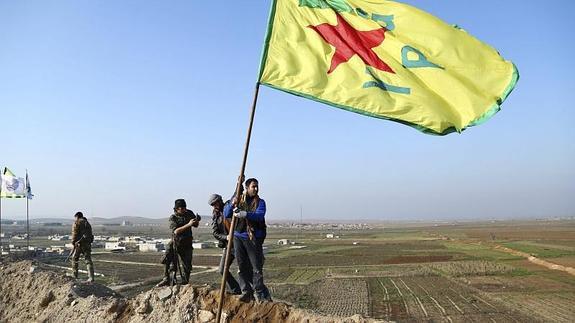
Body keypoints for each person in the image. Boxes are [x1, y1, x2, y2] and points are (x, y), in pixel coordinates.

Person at [224, 178, 271, 303]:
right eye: (253, 186)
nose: (255, 189)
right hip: (238, 236)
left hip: (253, 238)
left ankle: (259, 293)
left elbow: (259, 215)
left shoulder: (260, 202)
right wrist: (232, 203)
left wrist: (245, 214)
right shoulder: (239, 199)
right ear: (246, 187)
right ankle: (246, 292)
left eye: (257, 186)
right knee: (241, 265)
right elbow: (226, 213)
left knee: (256, 267)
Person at [157, 199, 200, 287]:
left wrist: (197, 220)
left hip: (187, 243)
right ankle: (166, 278)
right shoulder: (173, 218)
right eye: (182, 208)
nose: (184, 210)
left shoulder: (189, 213)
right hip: (176, 243)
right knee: (167, 259)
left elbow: (195, 225)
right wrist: (188, 224)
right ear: (177, 209)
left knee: (187, 265)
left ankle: (185, 282)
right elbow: (176, 231)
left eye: (185, 207)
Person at [209, 193, 242, 295]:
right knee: (222, 270)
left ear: (220, 200)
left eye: (216, 203)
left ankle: (248, 292)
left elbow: (235, 194)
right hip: (228, 245)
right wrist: (226, 237)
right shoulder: (215, 214)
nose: (215, 205)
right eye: (213, 204)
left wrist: (238, 184)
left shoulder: (229, 206)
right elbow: (215, 232)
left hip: (238, 242)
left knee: (244, 269)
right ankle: (236, 290)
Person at [71, 211, 95, 282]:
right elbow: (90, 234)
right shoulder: (87, 223)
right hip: (87, 244)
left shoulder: (77, 222)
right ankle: (91, 277)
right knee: (88, 260)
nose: (75, 219)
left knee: (74, 259)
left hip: (79, 244)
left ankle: (75, 276)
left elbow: (74, 233)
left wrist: (73, 242)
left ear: (77, 216)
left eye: (75, 218)